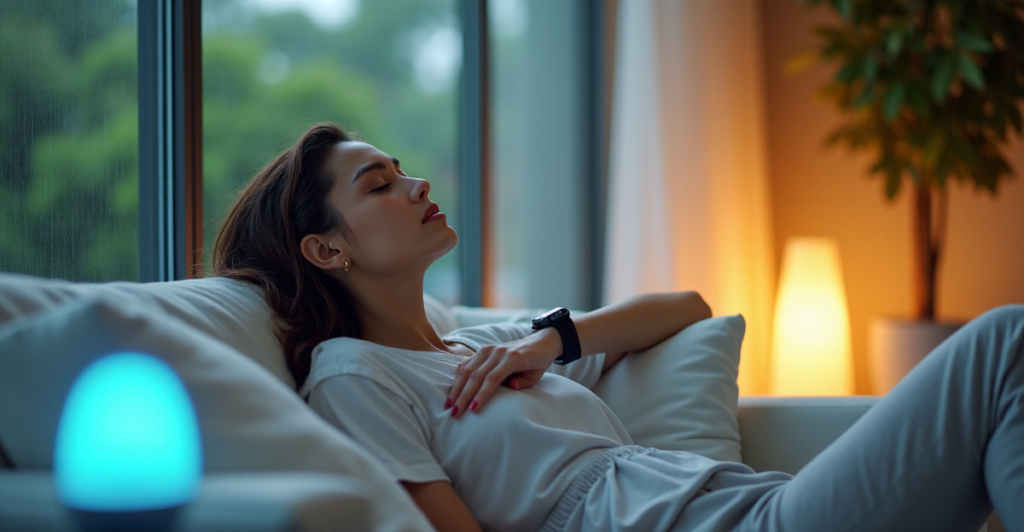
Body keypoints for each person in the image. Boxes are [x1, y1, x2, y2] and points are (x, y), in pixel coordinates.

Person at [213, 123, 1024, 532]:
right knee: (1005, 343)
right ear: (326, 248)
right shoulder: (353, 372)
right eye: (381, 184)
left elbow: (686, 308)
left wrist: (546, 343)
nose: (418, 182)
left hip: (747, 505)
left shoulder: (481, 352)